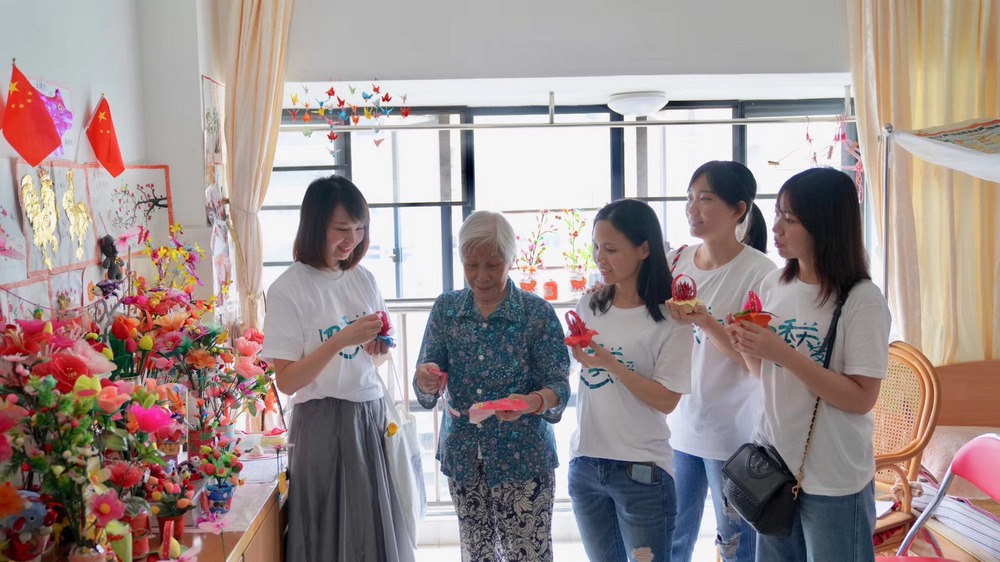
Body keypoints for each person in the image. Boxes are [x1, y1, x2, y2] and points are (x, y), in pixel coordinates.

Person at [726, 168, 890, 562]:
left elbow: (861, 398)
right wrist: (746, 344)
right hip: (772, 467)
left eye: (790, 218)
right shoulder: (773, 286)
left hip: (834, 477)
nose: (776, 228)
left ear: (824, 224)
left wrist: (782, 352)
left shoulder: (861, 299)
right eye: (778, 214)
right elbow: (767, 376)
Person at [261, 175, 414, 562]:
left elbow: (376, 353)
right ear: (315, 226)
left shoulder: (363, 278)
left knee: (372, 532)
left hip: (370, 414)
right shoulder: (287, 289)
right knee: (327, 532)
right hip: (322, 422)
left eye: (359, 229)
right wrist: (340, 340)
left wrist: (378, 345)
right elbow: (288, 381)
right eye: (341, 229)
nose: (352, 239)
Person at [413, 210, 571, 562]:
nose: (481, 276)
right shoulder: (447, 310)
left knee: (528, 554)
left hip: (524, 458)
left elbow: (559, 386)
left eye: (493, 265)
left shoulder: (535, 313)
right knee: (478, 554)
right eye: (471, 265)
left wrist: (531, 402)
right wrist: (426, 379)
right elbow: (425, 384)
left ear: (511, 259)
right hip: (465, 457)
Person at [567, 199, 693, 562]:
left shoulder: (670, 320)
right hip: (586, 463)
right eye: (596, 247)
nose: (599, 258)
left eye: (611, 249)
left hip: (643, 472)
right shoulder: (589, 306)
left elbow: (667, 400)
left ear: (644, 249)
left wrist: (612, 365)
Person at [666, 161, 775, 562]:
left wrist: (708, 323)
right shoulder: (675, 261)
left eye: (706, 199)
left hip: (734, 435)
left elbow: (756, 363)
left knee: (736, 545)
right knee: (671, 540)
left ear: (738, 209)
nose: (692, 208)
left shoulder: (761, 273)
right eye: (690, 198)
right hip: (678, 427)